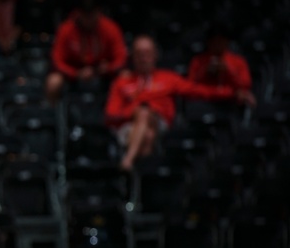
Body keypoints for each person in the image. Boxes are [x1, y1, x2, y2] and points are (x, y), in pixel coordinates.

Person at [105, 35, 255, 171]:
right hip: (128, 127)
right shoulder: (122, 82)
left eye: (148, 53)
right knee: (148, 135)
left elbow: (200, 91)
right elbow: (111, 114)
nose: (144, 58)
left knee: (145, 115)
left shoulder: (168, 78)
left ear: (156, 55)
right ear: (133, 57)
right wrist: (133, 112)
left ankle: (128, 164)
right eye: (139, 53)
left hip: (159, 123)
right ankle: (142, 182)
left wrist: (233, 92)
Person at [45, 0, 128, 104]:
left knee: (126, 77)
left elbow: (121, 57)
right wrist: (75, 73)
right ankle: (55, 118)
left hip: (104, 72)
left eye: (92, 13)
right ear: (78, 13)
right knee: (53, 81)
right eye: (85, 14)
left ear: (99, 12)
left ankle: (120, 117)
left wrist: (109, 68)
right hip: (74, 72)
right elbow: (57, 60)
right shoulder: (66, 29)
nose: (89, 18)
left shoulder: (110, 28)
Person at [187, 22, 252, 93]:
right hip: (204, 98)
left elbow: (246, 84)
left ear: (227, 42)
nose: (217, 45)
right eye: (214, 42)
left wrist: (228, 70)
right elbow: (190, 84)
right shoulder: (198, 60)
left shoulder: (238, 61)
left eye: (220, 41)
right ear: (209, 42)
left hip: (230, 98)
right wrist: (206, 71)